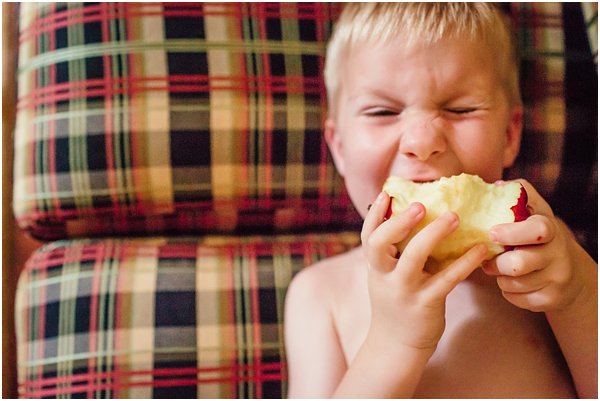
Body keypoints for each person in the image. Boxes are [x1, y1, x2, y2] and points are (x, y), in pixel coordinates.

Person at [284, 3, 597, 398]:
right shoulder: (320, 294)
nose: (422, 142)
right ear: (340, 148)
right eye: (382, 111)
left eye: (460, 109)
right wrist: (392, 345)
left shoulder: (549, 259)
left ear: (509, 136)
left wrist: (582, 295)